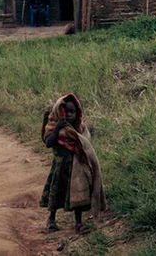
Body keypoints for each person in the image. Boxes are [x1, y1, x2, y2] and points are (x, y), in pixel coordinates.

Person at [40, 93, 105, 233]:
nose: (70, 114)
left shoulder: (79, 129)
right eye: (66, 111)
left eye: (73, 111)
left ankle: (78, 223)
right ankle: (51, 220)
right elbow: (48, 143)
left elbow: (85, 145)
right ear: (60, 111)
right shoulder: (54, 127)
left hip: (76, 168)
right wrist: (57, 129)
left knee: (78, 195)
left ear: (78, 113)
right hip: (59, 167)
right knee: (56, 193)